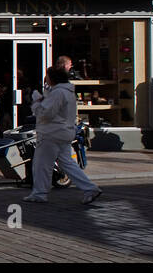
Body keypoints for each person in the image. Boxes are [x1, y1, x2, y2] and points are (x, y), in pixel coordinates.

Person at [25, 65, 102, 205]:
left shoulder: (58, 93)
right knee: (67, 163)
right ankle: (89, 188)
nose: (45, 79)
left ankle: (39, 193)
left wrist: (36, 102)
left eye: (47, 76)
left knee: (42, 164)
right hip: (64, 132)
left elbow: (45, 114)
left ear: (53, 78)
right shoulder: (67, 92)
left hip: (51, 133)